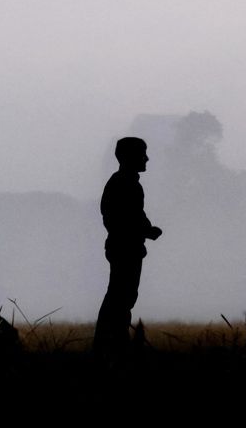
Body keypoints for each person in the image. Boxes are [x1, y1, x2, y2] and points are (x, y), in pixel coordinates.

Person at [93, 137, 163, 357]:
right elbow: (123, 218)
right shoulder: (126, 183)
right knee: (121, 298)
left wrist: (145, 230)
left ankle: (110, 343)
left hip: (123, 247)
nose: (147, 158)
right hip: (126, 248)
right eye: (143, 154)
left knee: (121, 296)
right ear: (129, 157)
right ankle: (114, 345)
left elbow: (127, 217)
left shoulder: (124, 182)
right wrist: (146, 231)